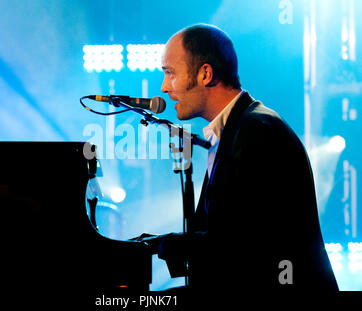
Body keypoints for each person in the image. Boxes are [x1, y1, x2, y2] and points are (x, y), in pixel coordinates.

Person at [135, 24, 338, 298]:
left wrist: (163, 245)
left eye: (170, 73)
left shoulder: (257, 131)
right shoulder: (239, 128)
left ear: (205, 73)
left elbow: (239, 245)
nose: (164, 87)